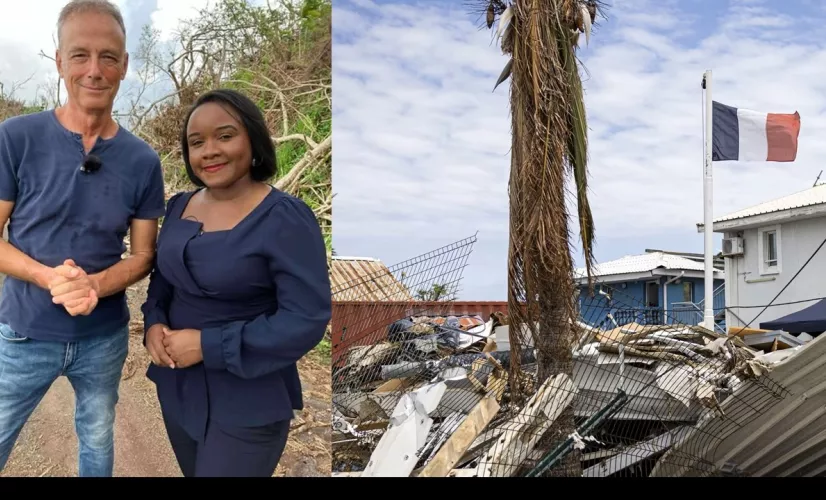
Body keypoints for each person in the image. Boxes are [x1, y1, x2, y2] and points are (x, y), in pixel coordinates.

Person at [0, 0, 166, 477]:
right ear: (59, 61)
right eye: (80, 55)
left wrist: (94, 286)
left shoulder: (142, 161)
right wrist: (47, 276)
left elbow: (143, 255)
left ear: (125, 65)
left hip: (103, 338)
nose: (95, 70)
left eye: (108, 56)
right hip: (23, 333)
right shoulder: (16, 138)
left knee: (96, 439)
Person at [140, 88, 331, 477]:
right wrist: (153, 323)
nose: (209, 150)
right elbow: (163, 280)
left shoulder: (285, 218)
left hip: (247, 399)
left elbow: (305, 318)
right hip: (177, 387)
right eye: (197, 142)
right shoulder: (179, 206)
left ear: (253, 140)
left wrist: (208, 345)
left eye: (225, 136)